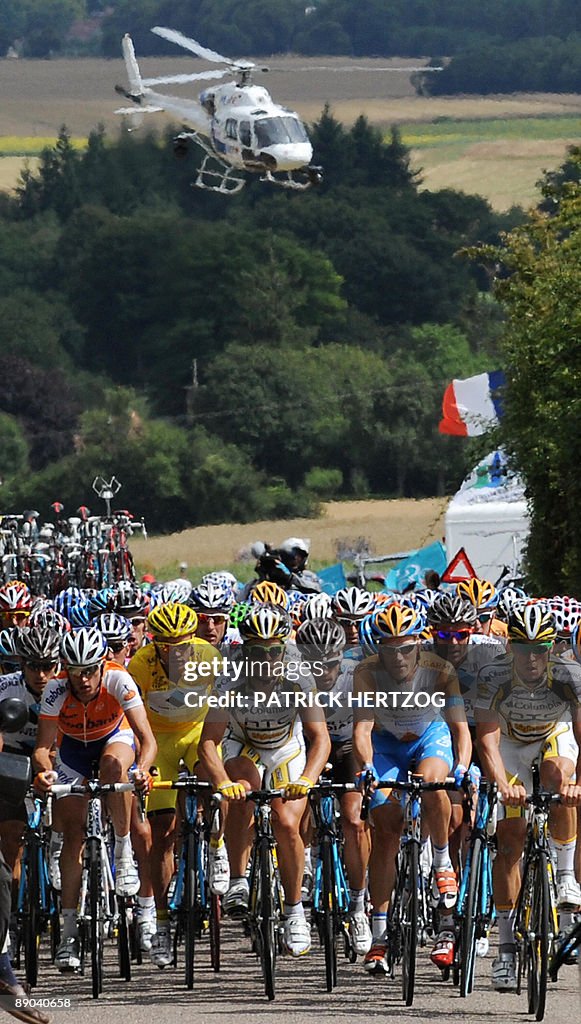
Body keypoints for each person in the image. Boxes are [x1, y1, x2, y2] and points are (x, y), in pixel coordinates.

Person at [198, 602, 331, 957]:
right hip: (243, 742)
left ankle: (294, 912)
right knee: (241, 786)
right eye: (257, 650)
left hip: (286, 747)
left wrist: (307, 778)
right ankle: (239, 880)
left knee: (288, 823)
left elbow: (320, 739)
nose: (266, 659)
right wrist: (221, 783)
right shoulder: (230, 676)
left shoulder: (299, 674)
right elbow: (208, 742)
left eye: (274, 650)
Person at [352, 603, 471, 976]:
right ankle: (380, 936)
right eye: (389, 649)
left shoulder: (441, 670)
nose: (398, 657)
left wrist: (464, 768)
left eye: (405, 648)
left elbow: (460, 729)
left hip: (428, 738)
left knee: (435, 782)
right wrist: (368, 767)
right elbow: (362, 729)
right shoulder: (367, 673)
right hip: (386, 745)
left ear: (419, 644)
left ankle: (440, 863)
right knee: (386, 829)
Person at [33, 627, 156, 972]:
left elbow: (147, 739)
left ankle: (123, 849)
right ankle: (68, 933)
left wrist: (143, 769)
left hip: (114, 740)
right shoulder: (56, 690)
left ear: (102, 665)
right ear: (66, 670)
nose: (84, 679)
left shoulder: (120, 680)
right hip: (73, 750)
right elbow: (43, 749)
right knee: (73, 835)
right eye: (76, 671)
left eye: (90, 670)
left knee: (113, 767)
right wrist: (44, 772)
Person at [476, 604, 581, 991]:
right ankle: (505, 950)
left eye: (541, 648)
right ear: (510, 646)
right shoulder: (493, 675)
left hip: (553, 737)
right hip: (510, 745)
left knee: (558, 778)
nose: (532, 657)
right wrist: (502, 783)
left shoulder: (569, 675)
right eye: (523, 648)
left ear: (552, 648)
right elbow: (486, 737)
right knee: (511, 839)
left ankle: (567, 877)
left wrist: (577, 784)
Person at [127, 602, 221, 968]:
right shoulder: (141, 665)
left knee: (222, 780)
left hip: (197, 734)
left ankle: (218, 848)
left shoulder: (210, 656)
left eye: (184, 643)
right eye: (168, 645)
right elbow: (134, 718)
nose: (177, 651)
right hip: (159, 741)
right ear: (156, 644)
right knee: (163, 835)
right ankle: (162, 924)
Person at [296, 617, 372, 954]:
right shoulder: (292, 677)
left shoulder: (356, 675)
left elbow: (363, 732)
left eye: (330, 664)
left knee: (354, 820)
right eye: (315, 664)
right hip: (306, 745)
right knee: (296, 810)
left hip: (346, 746)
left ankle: (359, 906)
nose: (323, 672)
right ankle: (306, 866)